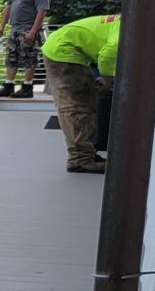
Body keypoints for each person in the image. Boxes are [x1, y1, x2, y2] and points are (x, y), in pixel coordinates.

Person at [40, 13, 121, 174]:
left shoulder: (125, 21)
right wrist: (107, 79)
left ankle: (86, 154)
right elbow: (107, 55)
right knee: (77, 106)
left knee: (86, 102)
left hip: (64, 47)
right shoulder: (125, 30)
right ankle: (80, 159)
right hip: (63, 51)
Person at [0, 0, 50, 98]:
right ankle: (8, 85)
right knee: (12, 57)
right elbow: (8, 7)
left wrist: (33, 32)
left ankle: (27, 86)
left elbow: (42, 12)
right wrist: (2, 25)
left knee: (29, 57)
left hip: (28, 28)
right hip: (15, 28)